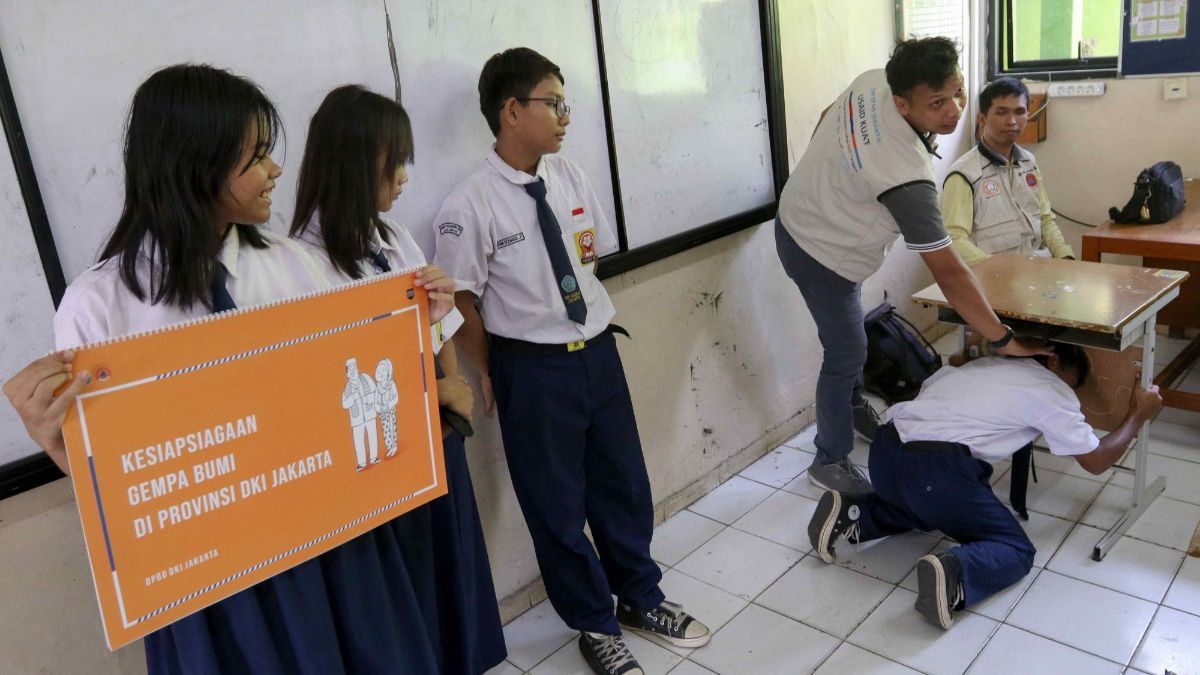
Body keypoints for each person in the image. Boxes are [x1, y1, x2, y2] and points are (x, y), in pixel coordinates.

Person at [2, 64, 471, 675]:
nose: (276, 169)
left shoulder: (297, 268)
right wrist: (52, 438)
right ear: (194, 163)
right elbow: (116, 489)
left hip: (335, 544)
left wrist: (418, 326)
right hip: (218, 589)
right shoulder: (100, 306)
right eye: (255, 156)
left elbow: (343, 398)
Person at [431, 47, 710, 675]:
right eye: (553, 103)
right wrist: (490, 368)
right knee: (555, 506)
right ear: (511, 111)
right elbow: (461, 300)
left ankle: (640, 598)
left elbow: (587, 262)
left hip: (598, 353)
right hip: (531, 368)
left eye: (565, 104)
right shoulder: (469, 205)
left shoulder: (571, 177)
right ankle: (594, 624)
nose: (564, 117)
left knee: (624, 485)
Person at [289, 84, 506, 674]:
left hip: (437, 442)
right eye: (396, 160)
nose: (406, 176)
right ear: (358, 159)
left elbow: (437, 329)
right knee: (398, 611)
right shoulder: (300, 264)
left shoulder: (392, 238)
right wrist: (436, 394)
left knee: (451, 581)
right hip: (377, 464)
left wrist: (453, 388)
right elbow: (324, 381)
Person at [775, 37, 1049, 496]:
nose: (954, 111)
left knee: (852, 345)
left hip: (800, 214)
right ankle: (829, 458)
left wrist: (837, 180)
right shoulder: (907, 176)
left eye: (958, 93)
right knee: (845, 352)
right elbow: (949, 270)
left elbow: (828, 116)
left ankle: (852, 406)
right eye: (937, 103)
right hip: (816, 251)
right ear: (902, 103)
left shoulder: (871, 82)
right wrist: (1002, 339)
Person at [806, 344, 1162, 629]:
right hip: (935, 471)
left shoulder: (977, 365)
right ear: (1053, 361)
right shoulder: (1052, 389)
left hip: (885, 454)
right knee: (1015, 549)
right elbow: (1096, 461)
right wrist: (1137, 415)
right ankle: (954, 571)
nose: (1069, 391)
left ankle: (855, 513)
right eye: (1071, 381)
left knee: (922, 507)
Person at [942, 77, 1075, 264]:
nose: (1011, 121)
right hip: (991, 278)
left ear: (1027, 116)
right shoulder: (964, 175)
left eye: (1019, 112)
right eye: (1001, 112)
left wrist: (1064, 255)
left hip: (1037, 269)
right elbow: (954, 240)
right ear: (982, 119)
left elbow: (1045, 219)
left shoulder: (1029, 163)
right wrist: (1000, 271)